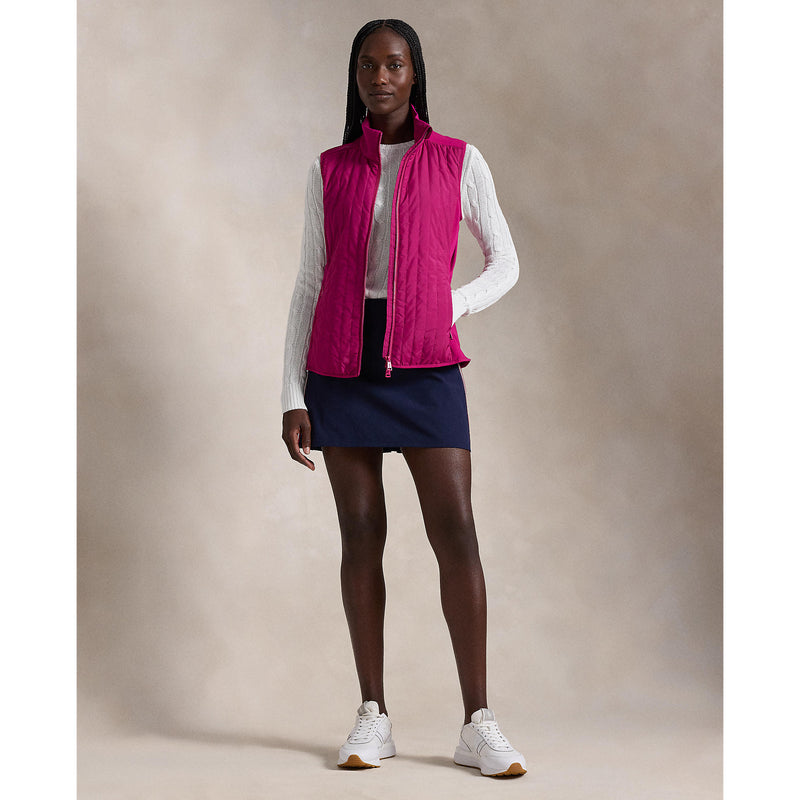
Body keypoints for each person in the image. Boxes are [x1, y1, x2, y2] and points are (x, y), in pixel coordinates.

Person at [281, 19, 526, 778]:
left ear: (414, 73)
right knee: (361, 535)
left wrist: (448, 306)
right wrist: (292, 392)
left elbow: (505, 262)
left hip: (426, 364)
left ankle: (477, 723)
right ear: (355, 76)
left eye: (394, 64)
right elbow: (310, 283)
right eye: (368, 65)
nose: (380, 78)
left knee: (457, 533)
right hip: (341, 364)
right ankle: (373, 715)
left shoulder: (459, 159)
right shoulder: (330, 169)